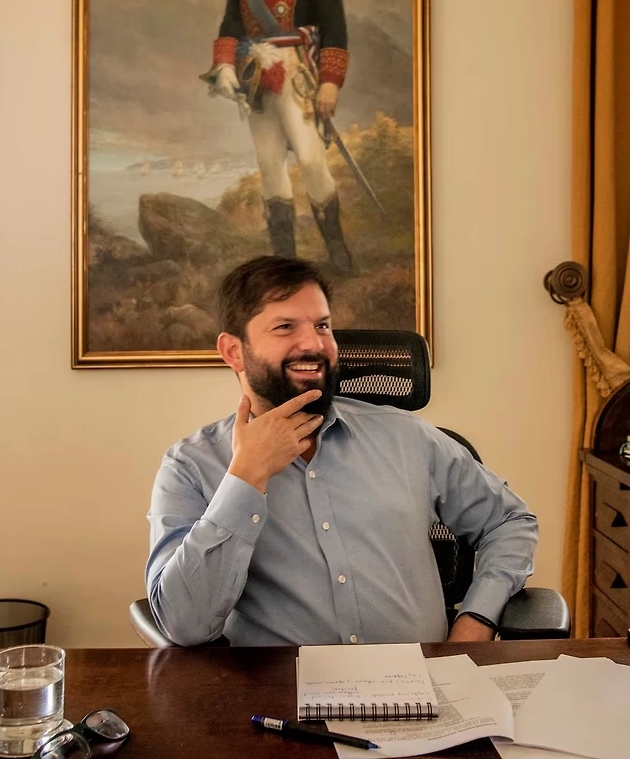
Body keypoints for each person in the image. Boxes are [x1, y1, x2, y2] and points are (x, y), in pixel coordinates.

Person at [145, 256, 538, 646]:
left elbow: (510, 521)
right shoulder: (191, 466)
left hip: (421, 679)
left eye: (322, 326)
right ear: (233, 350)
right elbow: (184, 625)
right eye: (285, 327)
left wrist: (477, 618)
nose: (314, 344)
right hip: (278, 685)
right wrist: (246, 477)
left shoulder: (406, 437)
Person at [204, 0, 353, 273]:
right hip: (256, 75)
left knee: (310, 159)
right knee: (269, 164)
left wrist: (330, 82)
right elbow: (230, 25)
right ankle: (285, 260)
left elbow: (334, 27)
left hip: (298, 72)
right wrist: (224, 66)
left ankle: (338, 251)